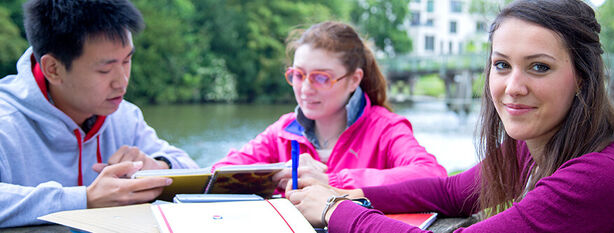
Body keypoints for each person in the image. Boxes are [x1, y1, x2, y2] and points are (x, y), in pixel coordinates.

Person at [286, 0, 614, 232]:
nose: (513, 86)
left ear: (582, 78)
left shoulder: (598, 177)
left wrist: (337, 211)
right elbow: (452, 192)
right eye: (502, 65)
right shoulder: (535, 147)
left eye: (539, 68)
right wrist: (352, 194)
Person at [0, 0, 198, 228]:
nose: (122, 82)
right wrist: (85, 199)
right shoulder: (6, 122)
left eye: (127, 61)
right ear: (53, 69)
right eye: (105, 70)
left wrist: (159, 166)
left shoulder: (124, 116)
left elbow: (192, 170)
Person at [212, 21, 446, 191]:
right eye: (298, 75)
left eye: (321, 77)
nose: (305, 89)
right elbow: (220, 173)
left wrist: (333, 181)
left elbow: (433, 176)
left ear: (354, 79)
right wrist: (274, 174)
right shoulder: (283, 131)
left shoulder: (385, 129)